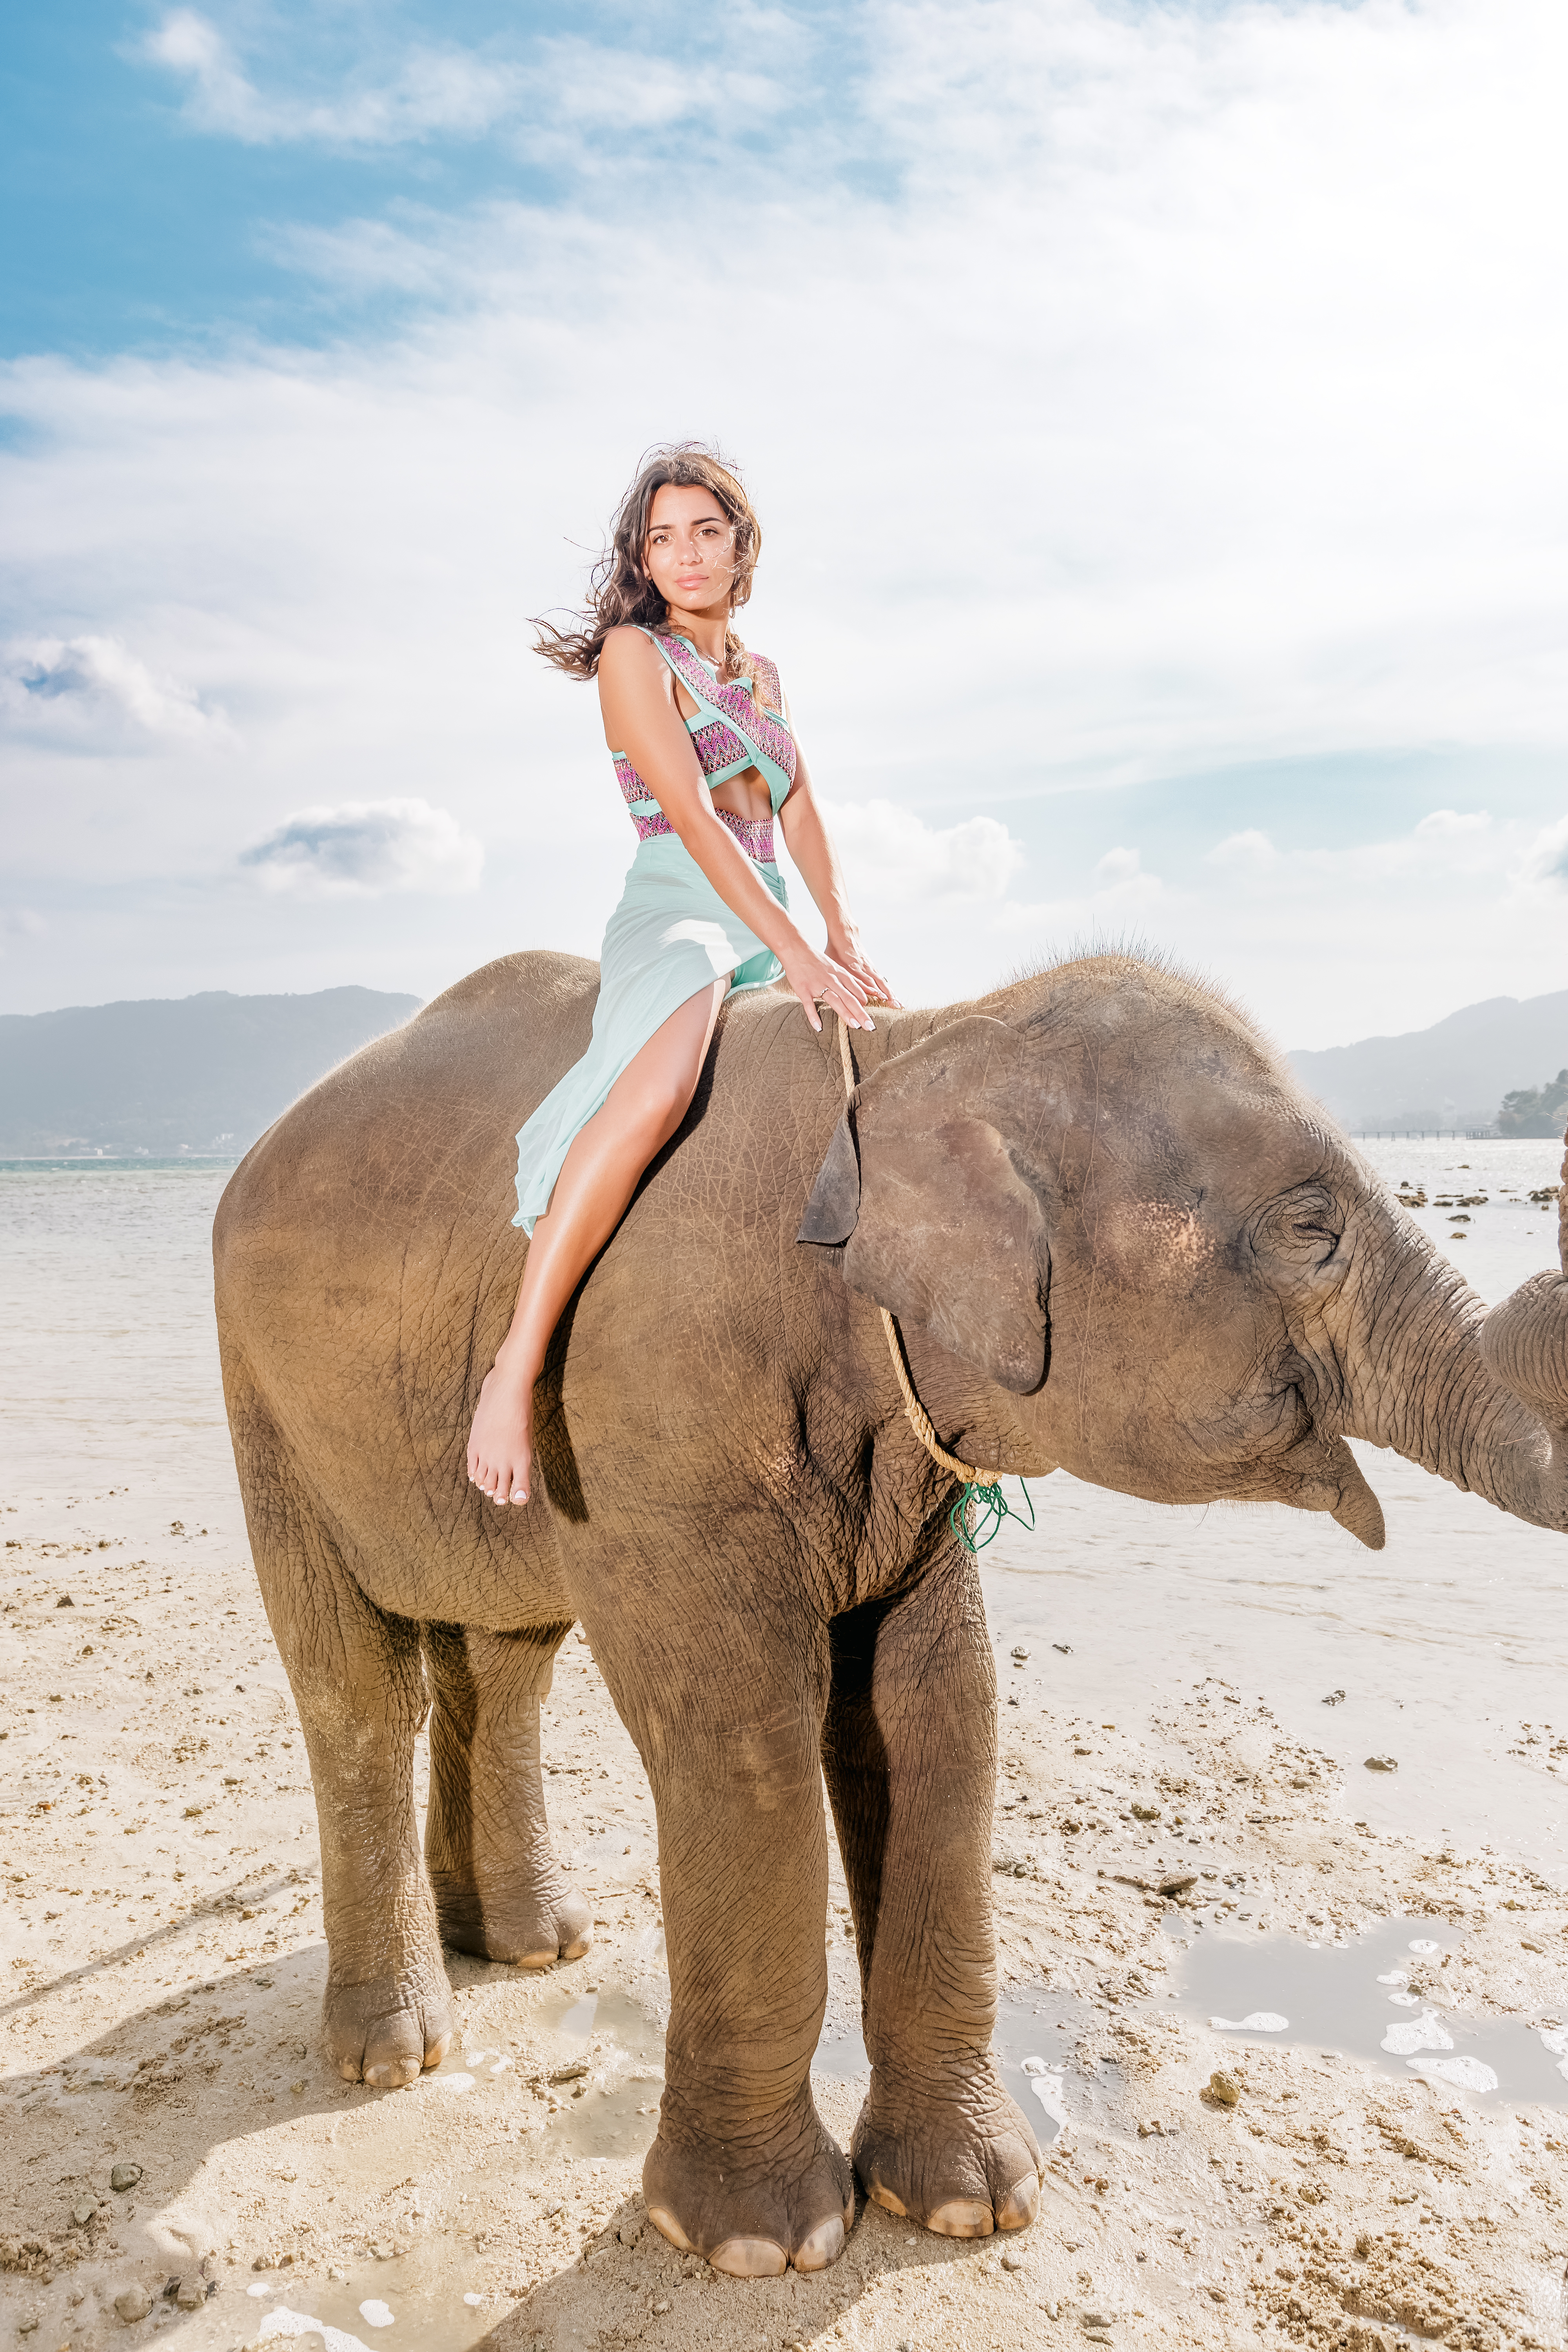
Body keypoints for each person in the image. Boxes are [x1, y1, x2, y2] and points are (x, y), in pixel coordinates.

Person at [466, 445, 897, 1508]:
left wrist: (838, 935)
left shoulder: (764, 678)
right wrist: (790, 953)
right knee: (659, 1089)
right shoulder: (633, 654)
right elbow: (700, 822)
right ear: (644, 559)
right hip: (679, 905)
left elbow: (796, 808)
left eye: (706, 530)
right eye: (663, 537)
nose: (686, 554)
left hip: (769, 911)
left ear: (741, 545)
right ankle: (516, 1366)